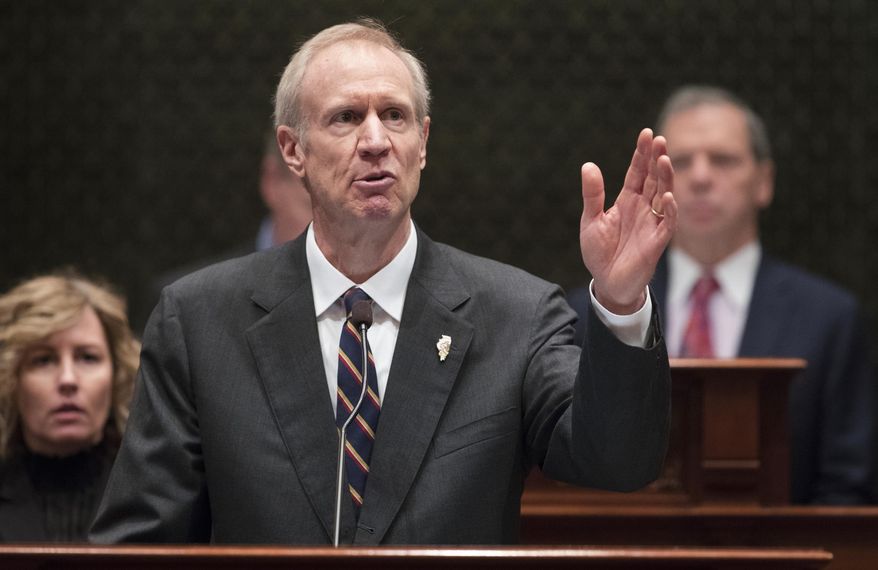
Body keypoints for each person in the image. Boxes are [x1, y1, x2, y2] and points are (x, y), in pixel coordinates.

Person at [90, 19, 677, 545]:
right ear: (293, 150)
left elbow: (617, 461)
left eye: (394, 116)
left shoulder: (516, 314)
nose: (376, 141)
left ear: (422, 143)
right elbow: (142, 543)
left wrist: (621, 300)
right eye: (346, 118)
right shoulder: (199, 321)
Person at [569, 85, 875, 504]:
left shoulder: (829, 319)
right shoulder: (594, 311)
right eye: (678, 162)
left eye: (724, 160)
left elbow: (849, 490)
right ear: (654, 181)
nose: (700, 177)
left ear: (764, 182)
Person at [0, 273, 140, 541]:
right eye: (43, 360)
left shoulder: (154, 494)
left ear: (117, 375)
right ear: (11, 379)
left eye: (87, 357)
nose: (68, 380)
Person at [135, 130, 312, 332]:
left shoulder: (353, 300)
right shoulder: (183, 308)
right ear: (272, 182)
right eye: (316, 208)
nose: (334, 231)